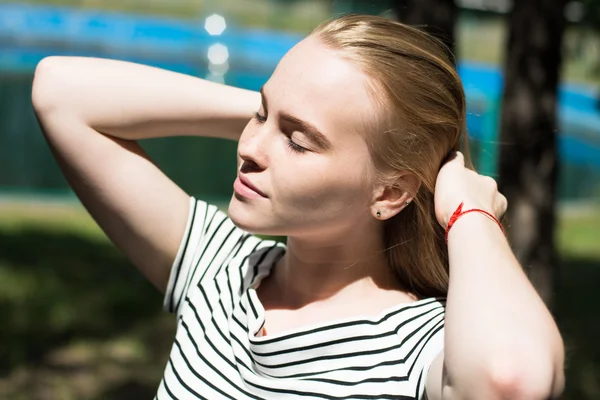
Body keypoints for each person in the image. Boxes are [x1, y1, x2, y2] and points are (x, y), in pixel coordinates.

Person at [32, 14, 564, 400]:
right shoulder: (218, 269)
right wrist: (286, 112)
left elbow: (509, 378)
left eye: (299, 143)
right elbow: (60, 91)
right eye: (260, 115)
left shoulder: (416, 350)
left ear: (390, 194)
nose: (249, 149)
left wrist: (470, 215)